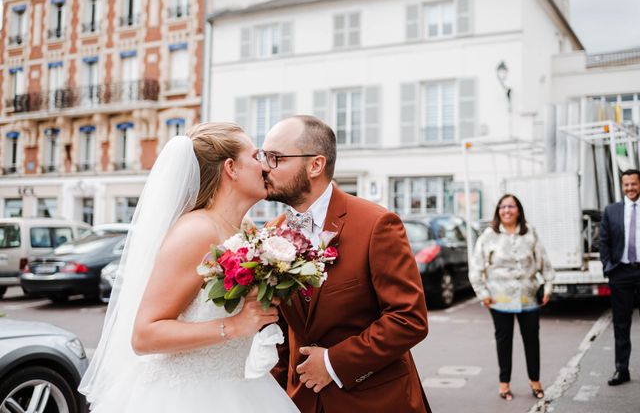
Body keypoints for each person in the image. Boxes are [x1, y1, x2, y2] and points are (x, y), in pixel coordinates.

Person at [79, 123, 299, 412]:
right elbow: (145, 335)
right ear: (231, 167)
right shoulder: (196, 231)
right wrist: (234, 325)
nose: (265, 166)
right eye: (257, 155)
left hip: (240, 385)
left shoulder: (245, 229)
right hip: (187, 395)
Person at [260, 115, 431, 413]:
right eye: (264, 157)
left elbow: (409, 319)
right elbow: (280, 329)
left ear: (315, 165)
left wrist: (332, 363)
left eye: (276, 158)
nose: (265, 167)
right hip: (301, 400)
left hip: (376, 400)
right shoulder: (271, 234)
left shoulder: (376, 224)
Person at [469, 194, 555, 401]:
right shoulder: (489, 235)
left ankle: (535, 381)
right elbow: (476, 268)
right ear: (498, 211)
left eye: (511, 206)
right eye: (502, 207)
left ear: (518, 210)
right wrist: (483, 294)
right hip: (500, 299)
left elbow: (543, 260)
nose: (506, 210)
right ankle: (504, 384)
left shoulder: (529, 232)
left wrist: (548, 286)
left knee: (532, 340)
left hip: (528, 297)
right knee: (504, 341)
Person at [600, 169, 640, 386]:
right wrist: (608, 267)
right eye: (627, 185)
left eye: (634, 184)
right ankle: (621, 370)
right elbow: (603, 241)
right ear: (622, 186)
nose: (630, 188)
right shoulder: (611, 210)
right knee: (621, 325)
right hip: (621, 272)